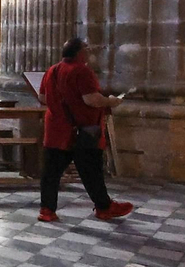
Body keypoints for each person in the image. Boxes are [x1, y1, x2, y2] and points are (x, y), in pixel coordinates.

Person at [37, 37, 133, 223]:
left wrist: (60, 106)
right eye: (86, 49)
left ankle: (47, 210)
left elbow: (42, 97)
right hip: (81, 130)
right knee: (91, 171)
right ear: (80, 53)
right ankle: (104, 207)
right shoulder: (82, 71)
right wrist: (111, 101)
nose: (89, 52)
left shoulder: (52, 70)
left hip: (56, 129)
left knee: (51, 172)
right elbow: (91, 100)